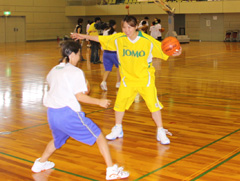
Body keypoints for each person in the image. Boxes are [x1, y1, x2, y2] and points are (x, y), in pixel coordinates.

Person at [71, 15, 182, 145]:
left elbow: (166, 51)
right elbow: (100, 38)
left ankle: (160, 131)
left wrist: (176, 52)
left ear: (135, 27)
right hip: (127, 79)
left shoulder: (147, 40)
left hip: (144, 79)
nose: (127, 30)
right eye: (124, 27)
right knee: (119, 105)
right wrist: (84, 36)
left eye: (130, 27)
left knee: (154, 106)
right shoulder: (119, 39)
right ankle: (118, 128)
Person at [31, 40, 129, 180]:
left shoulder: (53, 70)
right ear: (71, 54)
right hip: (68, 114)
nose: (79, 57)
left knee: (57, 140)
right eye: (78, 54)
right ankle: (111, 170)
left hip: (52, 114)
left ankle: (40, 163)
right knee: (99, 136)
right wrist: (99, 101)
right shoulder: (75, 72)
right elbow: (80, 96)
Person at [100, 20, 121, 91]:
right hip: (113, 53)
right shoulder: (115, 33)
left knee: (107, 69)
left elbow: (102, 40)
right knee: (119, 67)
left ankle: (103, 82)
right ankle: (118, 82)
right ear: (114, 25)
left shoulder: (105, 32)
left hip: (105, 53)